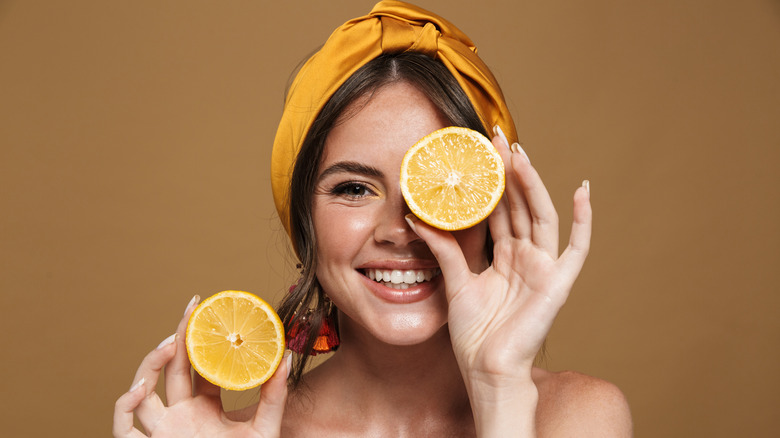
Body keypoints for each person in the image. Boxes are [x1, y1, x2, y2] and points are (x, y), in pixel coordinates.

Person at [113, 1, 632, 436]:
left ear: (491, 204)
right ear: (304, 220)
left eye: (436, 188)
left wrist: (500, 394)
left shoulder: (576, 419)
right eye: (355, 188)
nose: (398, 231)